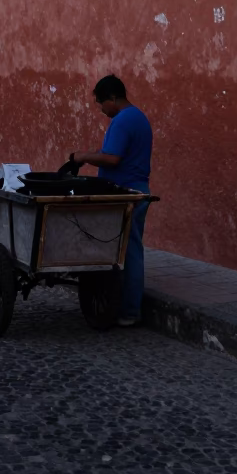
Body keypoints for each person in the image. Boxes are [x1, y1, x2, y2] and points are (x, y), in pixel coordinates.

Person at [71, 74, 153, 327]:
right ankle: (127, 306)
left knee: (128, 251)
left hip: (125, 194)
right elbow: (112, 153)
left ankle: (129, 310)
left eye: (101, 104)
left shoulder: (122, 120)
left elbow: (113, 159)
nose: (101, 110)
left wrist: (83, 157)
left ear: (113, 98)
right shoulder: (137, 117)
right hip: (136, 190)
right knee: (131, 249)